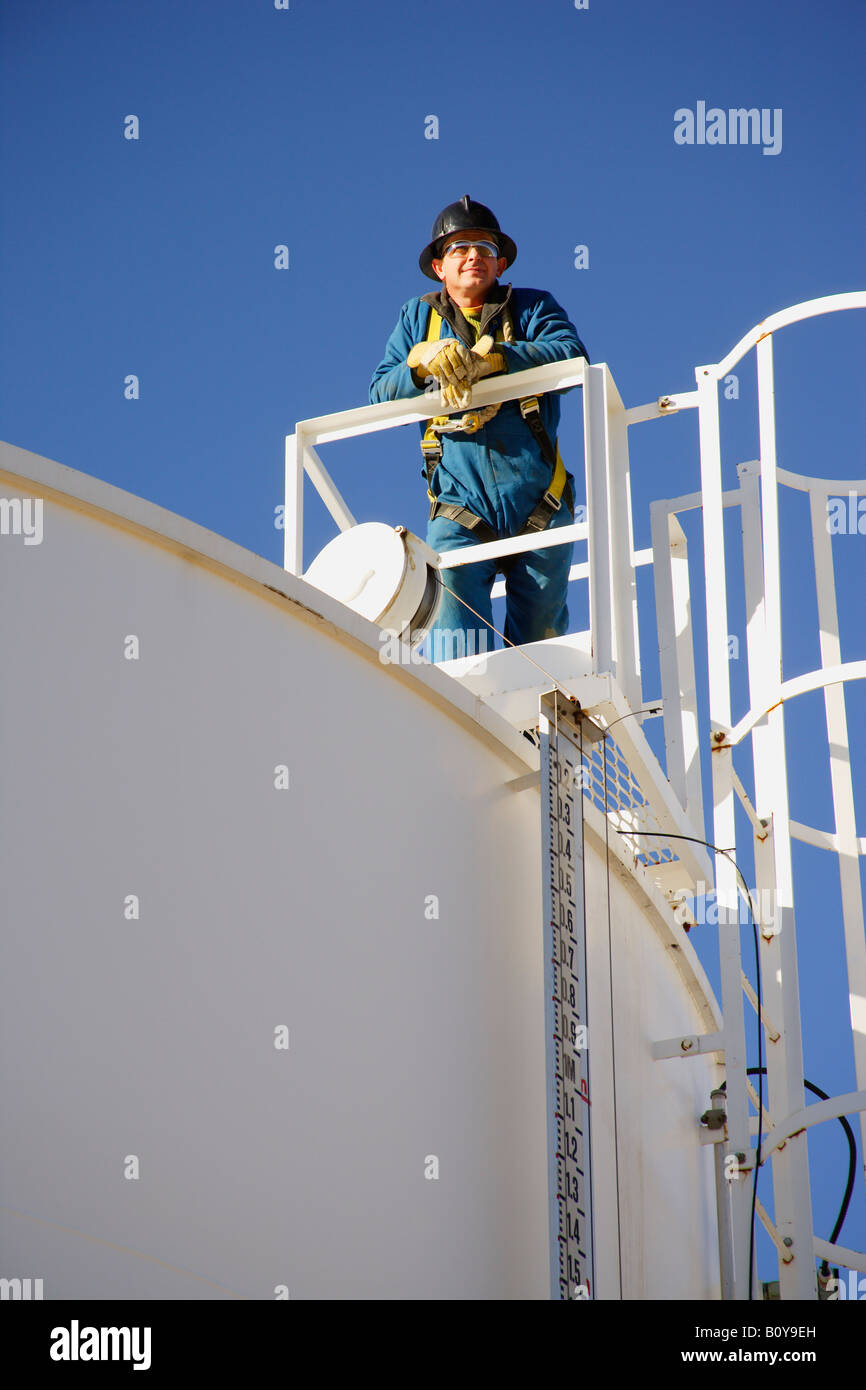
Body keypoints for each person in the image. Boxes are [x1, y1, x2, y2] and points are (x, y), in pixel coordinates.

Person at [369, 195, 589, 661]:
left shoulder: (530, 308)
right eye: (460, 248)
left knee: (541, 644)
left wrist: (499, 361)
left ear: (502, 263)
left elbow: (573, 357)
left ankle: (534, 729)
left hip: (538, 502)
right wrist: (417, 362)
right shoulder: (417, 319)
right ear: (438, 267)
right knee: (457, 645)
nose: (474, 256)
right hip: (459, 509)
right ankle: (469, 724)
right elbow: (380, 394)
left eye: (485, 249)